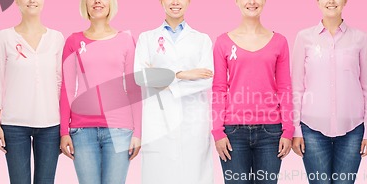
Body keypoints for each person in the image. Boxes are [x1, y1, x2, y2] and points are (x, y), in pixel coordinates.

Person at [291, 0, 367, 183]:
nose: (331, 1)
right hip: (311, 130)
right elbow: (297, 87)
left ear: (345, 2)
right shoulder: (304, 38)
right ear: (318, 2)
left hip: (352, 130)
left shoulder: (360, 39)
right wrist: (295, 129)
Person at [59, 0, 142, 183]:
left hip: (120, 130)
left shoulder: (126, 39)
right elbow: (67, 88)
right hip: (82, 131)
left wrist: (138, 133)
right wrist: (64, 131)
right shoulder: (73, 41)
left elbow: (134, 87)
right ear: (85, 4)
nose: (97, 1)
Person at [212, 0, 294, 183]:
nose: (251, 2)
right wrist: (218, 131)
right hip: (233, 133)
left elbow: (285, 88)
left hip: (271, 132)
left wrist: (288, 129)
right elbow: (218, 88)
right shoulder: (222, 42)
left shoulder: (279, 42)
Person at [134, 0, 215, 183]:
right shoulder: (146, 38)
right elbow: (141, 77)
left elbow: (206, 79)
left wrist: (161, 77)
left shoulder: (202, 39)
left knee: (194, 174)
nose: (175, 2)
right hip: (158, 120)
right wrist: (182, 74)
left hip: (192, 120)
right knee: (159, 174)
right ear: (161, 2)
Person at [0, 0, 64, 183]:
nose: (32, 1)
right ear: (16, 2)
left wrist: (64, 129)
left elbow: (61, 82)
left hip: (50, 125)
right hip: (14, 125)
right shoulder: (4, 37)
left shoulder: (56, 38)